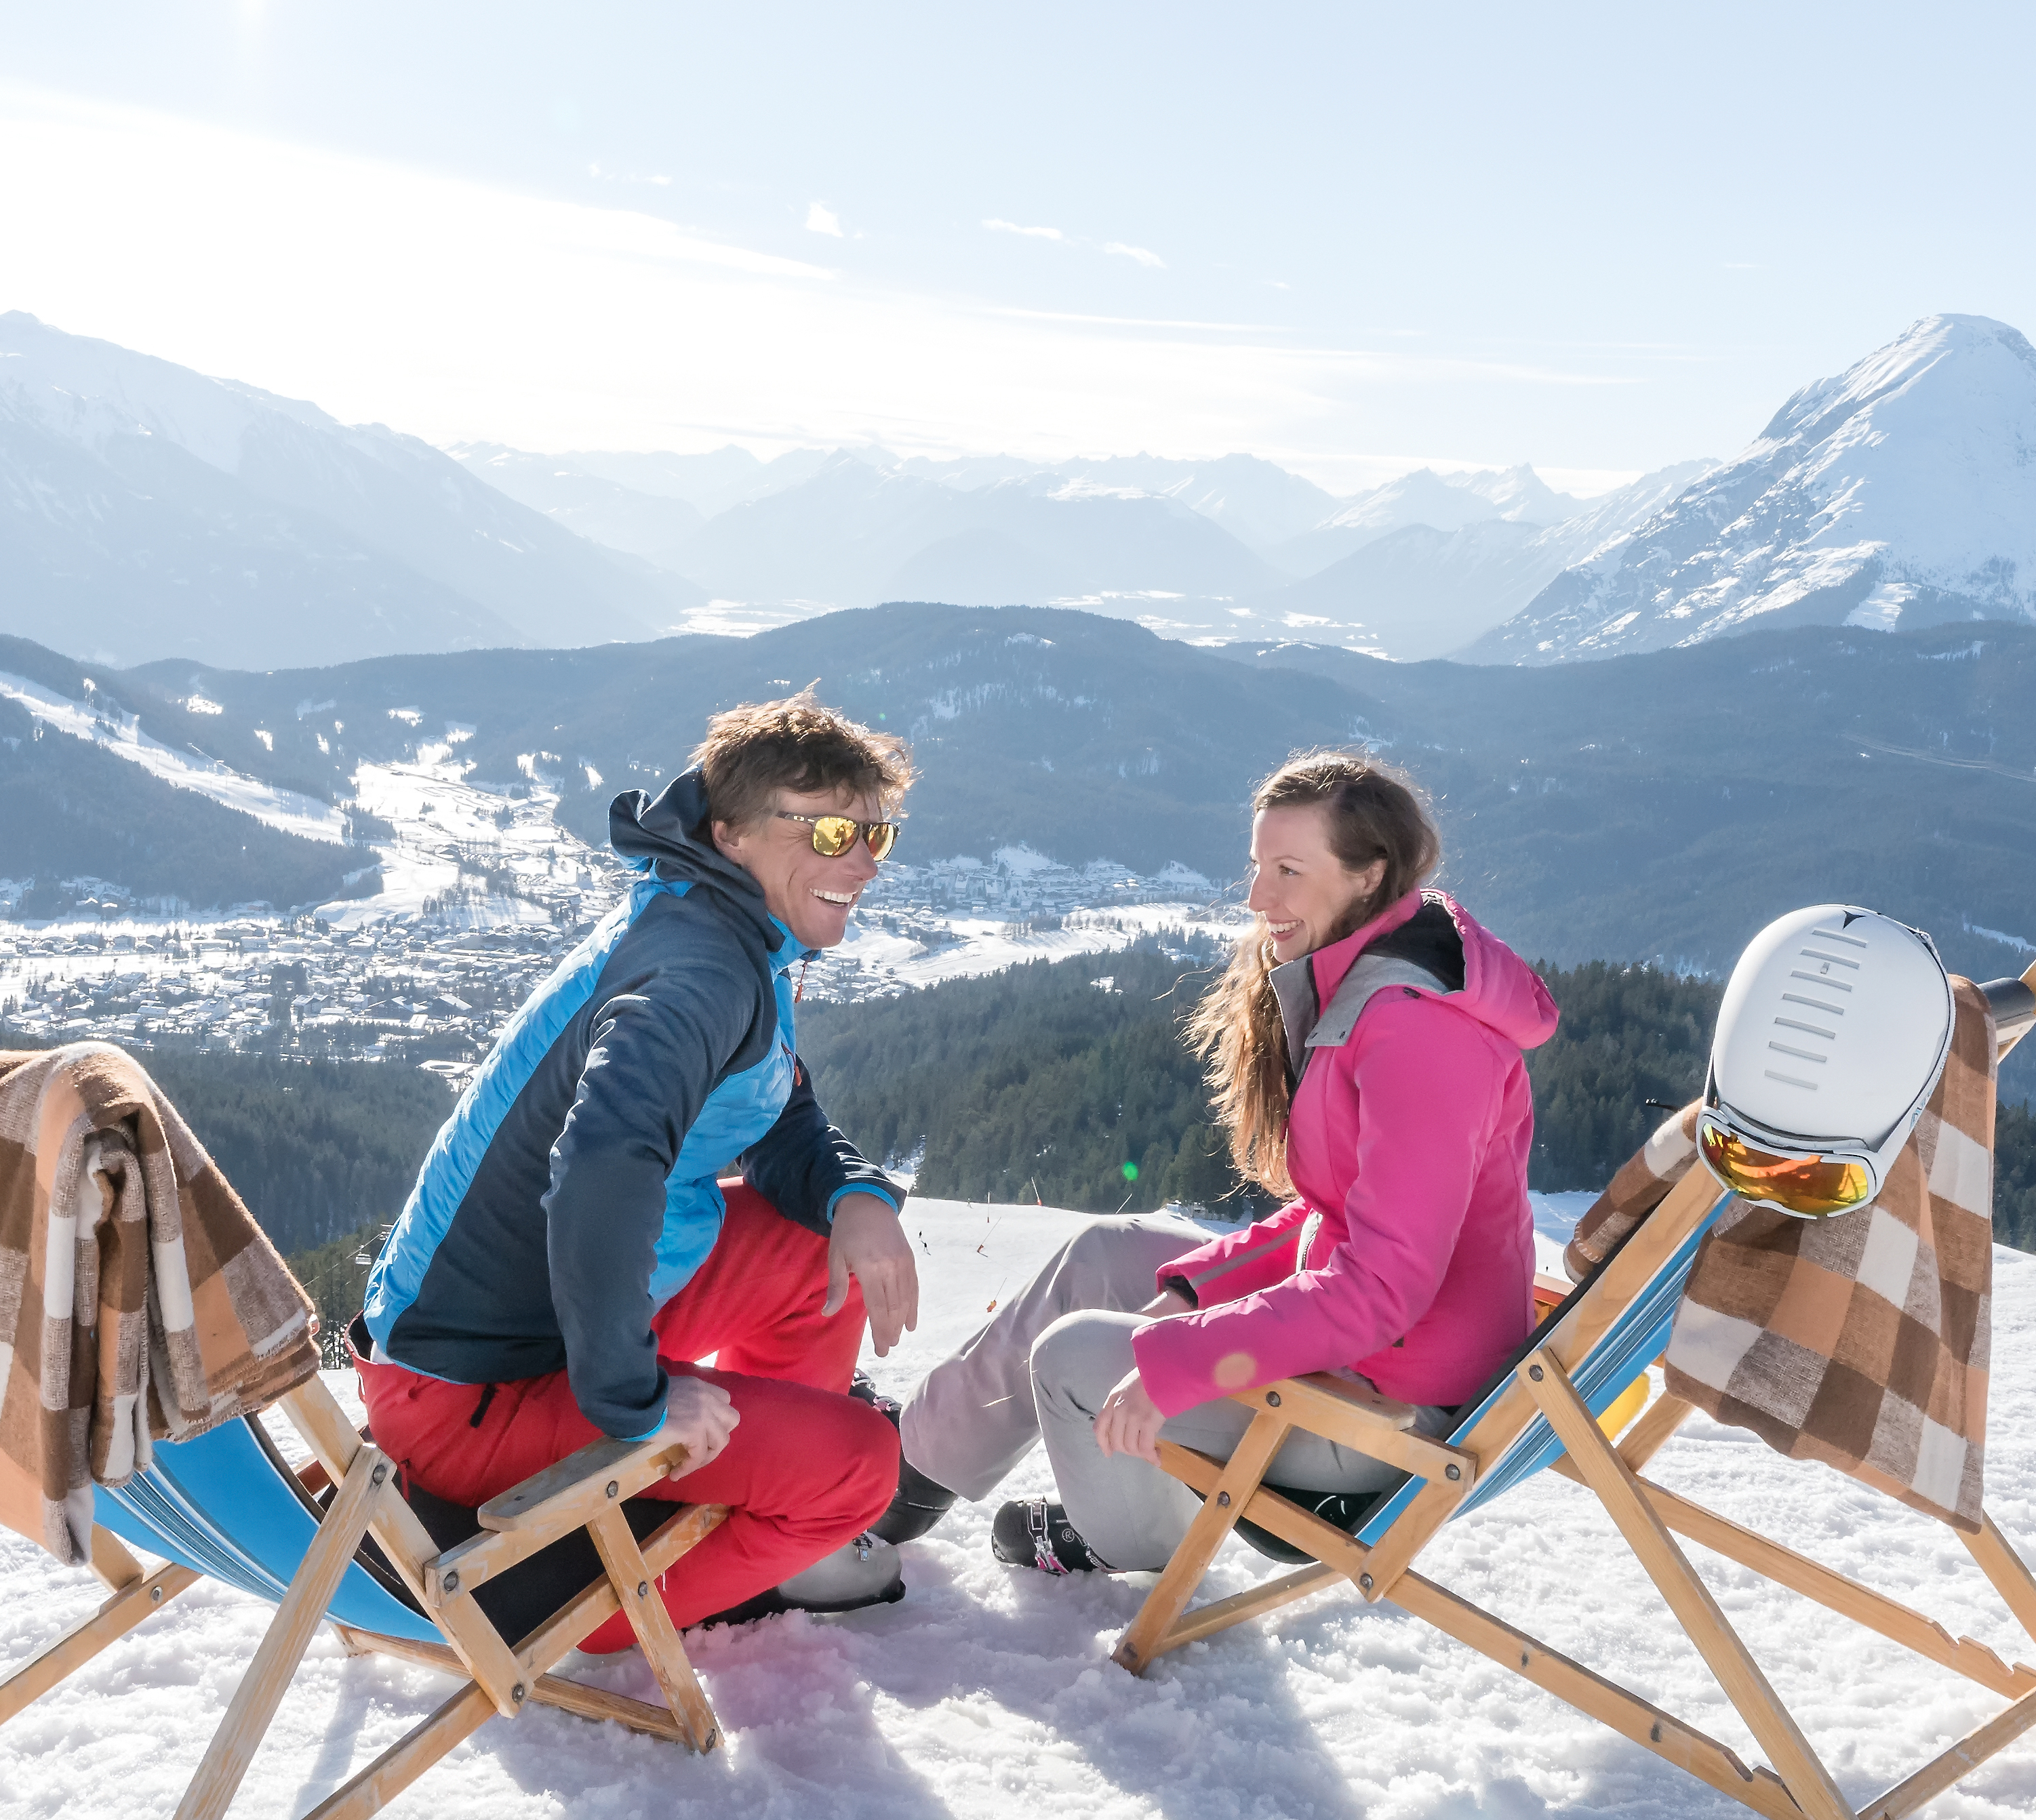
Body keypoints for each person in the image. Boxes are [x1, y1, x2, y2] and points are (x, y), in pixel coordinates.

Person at [350, 693, 926, 1645]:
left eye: (876, 834)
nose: (861, 859)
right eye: (829, 829)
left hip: (545, 1331)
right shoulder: (699, 975)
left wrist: (853, 1193)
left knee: (814, 1248)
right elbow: (598, 1173)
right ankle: (603, 1603)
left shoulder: (719, 922)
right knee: (865, 1466)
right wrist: (638, 1402)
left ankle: (767, 1501)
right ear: (731, 831)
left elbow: (776, 1108)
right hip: (469, 1398)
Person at [894, 751, 1554, 1576]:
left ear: (1366, 875)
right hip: (1357, 1350)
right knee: (1103, 1254)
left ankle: (1125, 1540)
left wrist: (1181, 1361)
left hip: (1388, 1413)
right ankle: (909, 1476)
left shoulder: (1420, 1033)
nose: (1255, 897)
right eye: (1256, 865)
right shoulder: (1371, 983)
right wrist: (1189, 1291)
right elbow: (1335, 1220)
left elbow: (1384, 1288)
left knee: (1074, 1357)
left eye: (1287, 869)